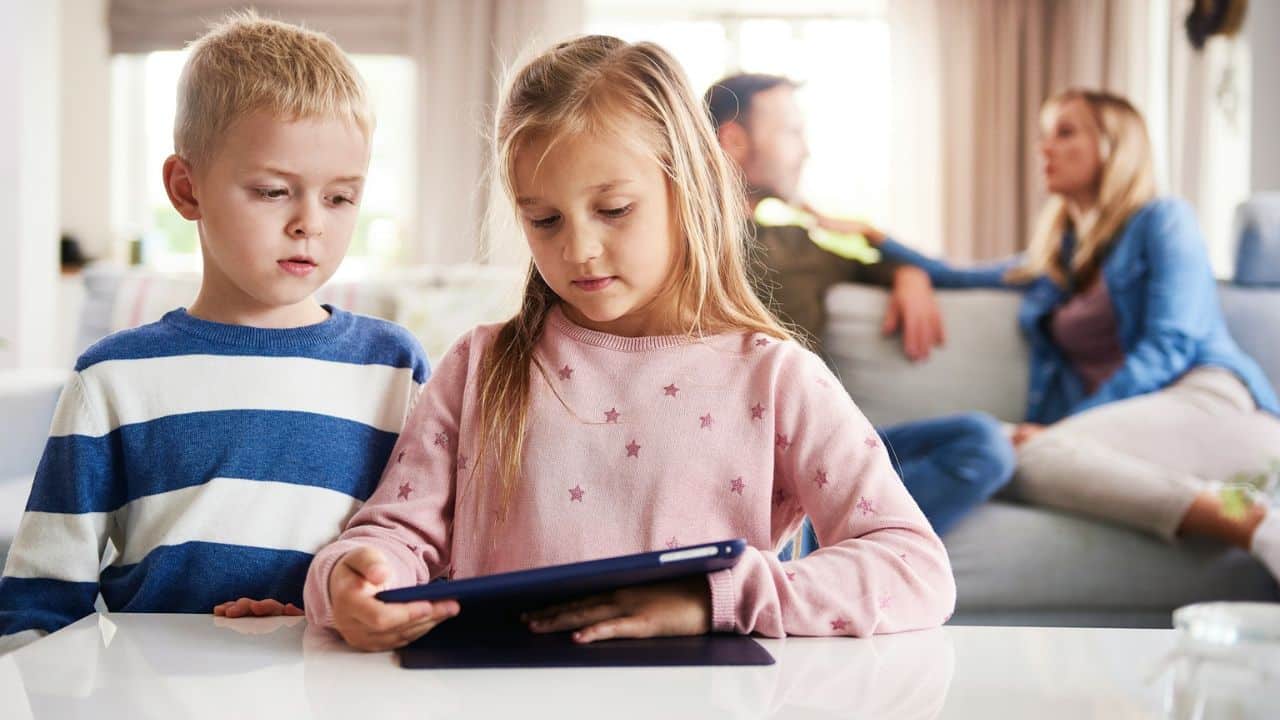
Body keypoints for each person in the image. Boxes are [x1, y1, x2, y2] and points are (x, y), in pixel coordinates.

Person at [303, 35, 956, 652]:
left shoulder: (776, 377)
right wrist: (353, 579)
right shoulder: (480, 366)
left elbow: (913, 567)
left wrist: (712, 599)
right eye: (544, 220)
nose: (579, 248)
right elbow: (393, 533)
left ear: (688, 188)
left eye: (614, 210)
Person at [0, 12, 429, 654]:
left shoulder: (393, 367)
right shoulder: (113, 378)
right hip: (154, 688)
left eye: (340, 198)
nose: (310, 223)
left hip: (341, 684)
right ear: (187, 188)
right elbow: (38, 605)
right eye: (274, 191)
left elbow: (428, 553)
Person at [863, 88, 1280, 581]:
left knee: (1021, 455)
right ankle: (1239, 508)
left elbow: (1171, 345)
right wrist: (882, 247)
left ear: (1112, 146)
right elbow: (956, 274)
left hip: (1209, 402)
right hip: (1134, 434)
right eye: (1045, 135)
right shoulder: (1058, 260)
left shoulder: (1165, 220)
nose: (1045, 148)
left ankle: (1253, 523)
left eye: (1065, 133)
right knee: (999, 448)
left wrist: (1069, 428)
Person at [705, 73, 1015, 545]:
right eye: (791, 133)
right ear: (734, 140)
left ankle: (830, 542)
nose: (805, 151)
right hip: (744, 463)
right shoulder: (680, 248)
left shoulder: (797, 244)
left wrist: (907, 274)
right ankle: (814, 543)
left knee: (982, 442)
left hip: (826, 455)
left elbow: (878, 267)